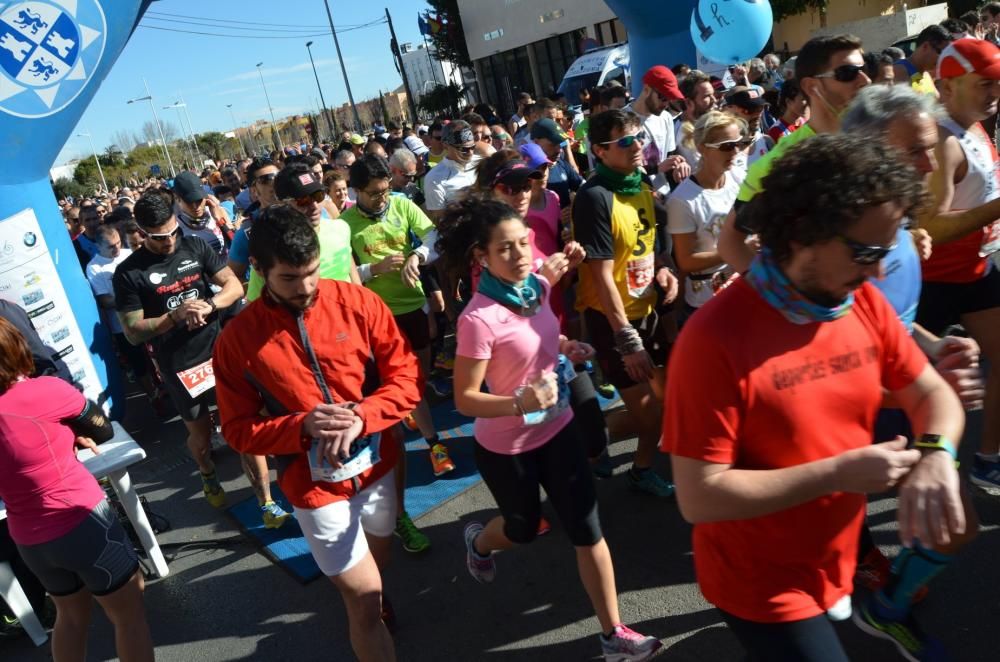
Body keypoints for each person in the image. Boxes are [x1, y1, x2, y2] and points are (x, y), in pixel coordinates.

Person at [664, 134, 966, 662]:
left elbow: (933, 395)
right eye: (866, 253)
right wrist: (836, 473)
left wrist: (938, 453)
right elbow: (699, 496)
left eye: (885, 253)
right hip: (761, 584)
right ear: (803, 232)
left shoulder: (858, 299)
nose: (877, 272)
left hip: (838, 555)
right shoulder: (714, 339)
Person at [437, 198, 663, 662]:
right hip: (506, 448)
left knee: (588, 529)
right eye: (506, 248)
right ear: (482, 256)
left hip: (557, 430)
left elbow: (541, 339)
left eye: (524, 243)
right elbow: (465, 399)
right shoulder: (477, 320)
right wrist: (518, 401)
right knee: (521, 530)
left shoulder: (535, 289)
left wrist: (567, 345)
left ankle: (613, 633)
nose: (521, 254)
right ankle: (480, 542)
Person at [213, 209, 421, 662]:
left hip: (380, 464)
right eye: (289, 278)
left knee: (377, 572)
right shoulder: (237, 340)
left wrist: (365, 415)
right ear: (259, 271)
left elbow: (406, 378)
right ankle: (370, 610)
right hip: (312, 488)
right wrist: (300, 427)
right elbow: (237, 431)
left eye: (310, 273)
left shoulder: (358, 302)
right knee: (363, 600)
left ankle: (376, 600)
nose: (306, 287)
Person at [113, 193, 291, 528]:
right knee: (202, 436)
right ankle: (207, 472)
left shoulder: (194, 246)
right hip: (180, 365)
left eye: (171, 233)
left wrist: (209, 305)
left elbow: (234, 288)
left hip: (220, 352)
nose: (168, 242)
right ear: (140, 231)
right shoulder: (128, 273)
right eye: (158, 237)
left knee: (243, 426)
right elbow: (134, 332)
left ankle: (266, 502)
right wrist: (175, 315)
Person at [0, 317, 154, 662]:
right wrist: (67, 432)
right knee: (128, 616)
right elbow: (102, 430)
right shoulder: (46, 391)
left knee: (71, 618)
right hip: (83, 524)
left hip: (29, 540)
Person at [572, 109, 680, 497]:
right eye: (626, 141)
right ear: (600, 151)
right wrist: (626, 339)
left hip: (648, 308)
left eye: (640, 138)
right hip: (612, 320)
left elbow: (648, 244)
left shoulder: (641, 181)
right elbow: (601, 276)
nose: (638, 147)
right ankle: (639, 469)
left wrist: (664, 270)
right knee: (650, 413)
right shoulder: (593, 197)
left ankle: (593, 434)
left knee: (663, 404)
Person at [340, 154, 443, 553]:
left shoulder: (402, 203)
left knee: (419, 377)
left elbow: (434, 237)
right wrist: (374, 270)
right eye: (373, 194)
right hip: (377, 319)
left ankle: (417, 420)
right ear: (356, 192)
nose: (382, 199)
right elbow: (343, 270)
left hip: (413, 306)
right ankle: (431, 442)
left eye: (385, 190)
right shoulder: (344, 225)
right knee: (400, 390)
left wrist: (418, 256)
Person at [918, 38, 1000, 491]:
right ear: (948, 88)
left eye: (997, 85)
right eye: (982, 85)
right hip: (932, 280)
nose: (993, 94)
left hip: (976, 271)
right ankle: (919, 470)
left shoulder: (975, 125)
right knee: (915, 391)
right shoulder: (943, 139)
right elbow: (934, 226)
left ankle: (988, 458)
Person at [719, 34, 871, 273]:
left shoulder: (877, 138)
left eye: (865, 69)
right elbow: (730, 244)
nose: (865, 80)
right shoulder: (781, 161)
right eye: (848, 73)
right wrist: (780, 296)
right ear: (812, 86)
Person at [667, 111, 747, 315]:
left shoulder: (739, 179)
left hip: (744, 288)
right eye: (727, 146)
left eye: (739, 143)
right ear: (703, 149)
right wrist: (735, 249)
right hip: (708, 302)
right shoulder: (682, 200)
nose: (735, 151)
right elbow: (686, 261)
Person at [245, 163, 359, 301]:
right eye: (303, 200)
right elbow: (254, 306)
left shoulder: (341, 228)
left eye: (318, 196)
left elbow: (353, 278)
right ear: (282, 204)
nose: (315, 206)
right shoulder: (270, 250)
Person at [84, 225, 157, 406]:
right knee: (139, 366)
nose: (117, 248)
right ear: (98, 246)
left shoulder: (129, 253)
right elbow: (105, 301)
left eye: (118, 243)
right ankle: (155, 398)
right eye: (111, 246)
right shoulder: (94, 268)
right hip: (123, 327)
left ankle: (166, 387)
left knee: (158, 357)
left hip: (151, 317)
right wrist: (134, 299)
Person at [625, 65, 690, 193]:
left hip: (662, 195)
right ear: (647, 89)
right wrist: (657, 168)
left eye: (669, 99)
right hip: (635, 194)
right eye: (663, 97)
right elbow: (622, 167)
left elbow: (669, 157)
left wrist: (679, 164)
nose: (666, 104)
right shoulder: (622, 120)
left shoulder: (665, 118)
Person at [226, 157, 280, 281]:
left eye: (278, 176)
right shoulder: (248, 232)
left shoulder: (306, 209)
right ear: (254, 191)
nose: (274, 183)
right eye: (266, 179)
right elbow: (232, 278)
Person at [424, 120, 481, 222]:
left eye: (472, 147)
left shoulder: (481, 162)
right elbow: (440, 220)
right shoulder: (434, 179)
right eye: (463, 149)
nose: (470, 153)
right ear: (445, 145)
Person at [722, 87, 774, 170]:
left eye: (760, 109)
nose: (757, 114)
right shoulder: (722, 149)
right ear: (728, 109)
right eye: (750, 110)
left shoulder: (766, 142)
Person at [674, 70, 717, 171]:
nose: (714, 100)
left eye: (713, 94)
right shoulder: (682, 134)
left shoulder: (707, 123)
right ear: (688, 102)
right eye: (707, 96)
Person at [893, 24, 951, 96]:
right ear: (925, 46)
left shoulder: (926, 74)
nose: (942, 58)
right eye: (940, 52)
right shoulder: (900, 70)